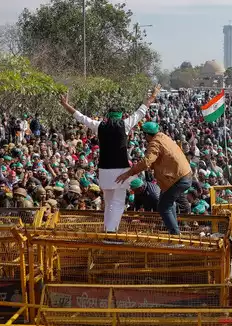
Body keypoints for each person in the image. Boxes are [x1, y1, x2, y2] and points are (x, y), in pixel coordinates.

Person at [60, 85, 160, 234]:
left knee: (108, 202)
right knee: (118, 202)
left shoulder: (100, 126)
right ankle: (112, 232)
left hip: (104, 170)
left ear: (108, 115)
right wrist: (152, 96)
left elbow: (81, 117)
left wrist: (66, 105)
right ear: (121, 115)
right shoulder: (125, 125)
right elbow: (141, 111)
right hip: (120, 170)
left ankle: (108, 229)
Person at [116, 122, 192, 235]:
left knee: (163, 206)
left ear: (147, 135)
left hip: (177, 178)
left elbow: (147, 162)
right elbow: (156, 160)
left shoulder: (155, 142)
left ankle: (175, 234)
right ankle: (175, 231)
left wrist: (129, 173)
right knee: (166, 203)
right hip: (182, 176)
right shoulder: (163, 137)